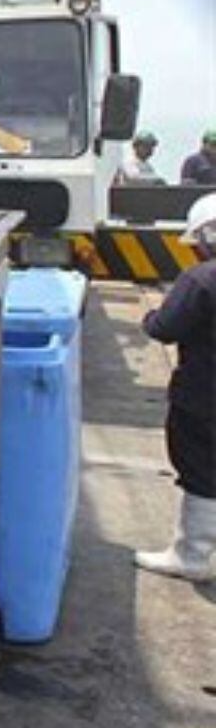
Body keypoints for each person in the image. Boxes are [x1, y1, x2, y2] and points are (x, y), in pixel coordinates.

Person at [134, 193, 216, 582]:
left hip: (205, 395)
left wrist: (150, 317)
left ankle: (193, 555)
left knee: (201, 468)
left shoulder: (202, 279)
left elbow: (165, 327)